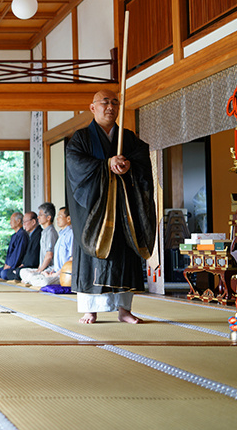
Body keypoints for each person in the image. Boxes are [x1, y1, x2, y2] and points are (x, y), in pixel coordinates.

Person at [66, 89, 156, 324]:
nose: (110, 107)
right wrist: (106, 164)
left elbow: (142, 162)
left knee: (124, 254)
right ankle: (90, 309)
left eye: (115, 103)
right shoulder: (81, 138)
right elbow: (76, 164)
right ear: (92, 107)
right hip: (94, 210)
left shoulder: (128, 138)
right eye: (104, 102)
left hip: (123, 208)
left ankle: (124, 310)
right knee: (93, 255)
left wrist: (128, 166)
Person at [21, 206, 73, 288]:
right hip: (54, 270)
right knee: (23, 271)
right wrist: (51, 271)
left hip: (63, 274)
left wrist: (54, 274)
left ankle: (34, 279)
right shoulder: (61, 234)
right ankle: (35, 278)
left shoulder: (70, 234)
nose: (57, 219)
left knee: (43, 280)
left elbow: (71, 261)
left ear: (68, 219)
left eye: (60, 216)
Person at [3, 211, 40, 280]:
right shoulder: (31, 235)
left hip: (30, 266)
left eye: (25, 222)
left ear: (33, 222)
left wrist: (12, 265)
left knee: (4, 273)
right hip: (22, 265)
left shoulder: (25, 234)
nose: (24, 224)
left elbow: (20, 253)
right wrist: (7, 264)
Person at [0, 212, 28, 278]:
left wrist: (10, 265)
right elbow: (10, 254)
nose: (10, 222)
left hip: (16, 266)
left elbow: (18, 253)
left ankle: (9, 273)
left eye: (11, 220)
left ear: (18, 221)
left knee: (3, 273)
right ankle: (7, 272)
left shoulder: (22, 235)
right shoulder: (14, 235)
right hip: (9, 266)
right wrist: (6, 264)